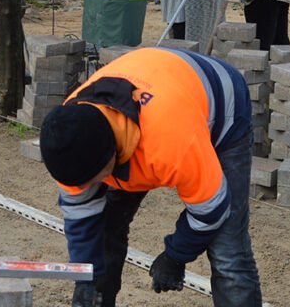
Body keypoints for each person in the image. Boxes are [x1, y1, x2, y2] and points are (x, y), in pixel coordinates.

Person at [39, 47, 260, 307]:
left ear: (111, 155)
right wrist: (87, 280)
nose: (86, 188)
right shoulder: (68, 137)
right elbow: (84, 222)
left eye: (93, 178)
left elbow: (211, 206)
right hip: (160, 80)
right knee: (104, 231)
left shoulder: (171, 143)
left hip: (220, 105)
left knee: (228, 254)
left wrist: (176, 255)